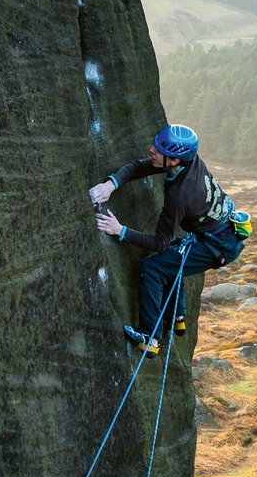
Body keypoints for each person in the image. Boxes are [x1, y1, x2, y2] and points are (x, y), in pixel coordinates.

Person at [91, 124, 246, 356]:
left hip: (217, 245)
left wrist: (120, 230)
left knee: (153, 267)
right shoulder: (188, 161)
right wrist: (111, 184)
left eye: (159, 149)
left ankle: (150, 338)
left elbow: (159, 243)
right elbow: (140, 167)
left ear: (173, 161)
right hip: (220, 233)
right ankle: (178, 316)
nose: (151, 150)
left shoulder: (180, 195)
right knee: (173, 257)